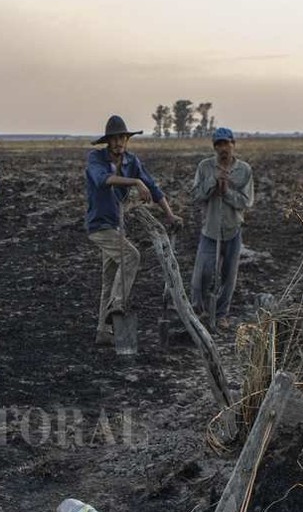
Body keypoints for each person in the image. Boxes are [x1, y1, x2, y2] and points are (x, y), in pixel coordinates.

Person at [85, 115, 179, 348]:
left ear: (127, 140)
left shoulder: (131, 161)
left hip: (118, 225)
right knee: (131, 256)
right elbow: (102, 181)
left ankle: (102, 331)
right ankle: (116, 305)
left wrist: (169, 214)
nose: (119, 142)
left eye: (123, 138)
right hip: (100, 224)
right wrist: (135, 183)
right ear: (108, 141)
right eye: (115, 138)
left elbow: (153, 188)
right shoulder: (96, 158)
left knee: (110, 278)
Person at [188, 126, 256, 326]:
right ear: (214, 148)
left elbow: (246, 201)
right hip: (210, 230)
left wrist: (226, 192)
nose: (223, 148)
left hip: (233, 229)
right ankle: (197, 312)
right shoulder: (205, 167)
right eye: (219, 145)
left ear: (233, 145)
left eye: (227, 143)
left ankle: (220, 314)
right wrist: (212, 183)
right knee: (203, 274)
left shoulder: (244, 170)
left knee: (228, 276)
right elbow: (196, 195)